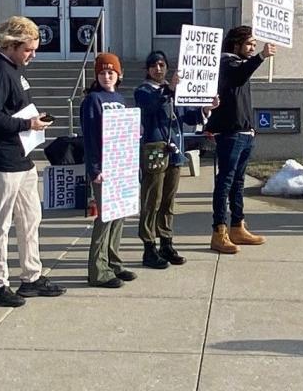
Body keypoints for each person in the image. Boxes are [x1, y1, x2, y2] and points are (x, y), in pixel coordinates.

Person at [0, 16, 66, 306]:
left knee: (30, 217)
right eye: (28, 49)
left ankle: (32, 276)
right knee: (0, 222)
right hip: (1, 159)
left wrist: (33, 121)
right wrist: (28, 125)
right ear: (11, 45)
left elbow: (15, 107)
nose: (32, 55)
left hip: (22, 155)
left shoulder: (13, 68)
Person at [134, 51, 218, 268]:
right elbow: (150, 105)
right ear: (147, 69)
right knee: (152, 198)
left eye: (161, 65)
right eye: (153, 66)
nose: (158, 69)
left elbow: (188, 116)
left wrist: (206, 109)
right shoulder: (144, 90)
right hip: (155, 148)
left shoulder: (176, 91)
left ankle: (166, 242)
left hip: (175, 148)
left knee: (168, 200)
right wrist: (169, 90)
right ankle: (148, 246)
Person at [204, 26, 275, 254]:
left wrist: (251, 127)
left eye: (254, 45)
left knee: (238, 183)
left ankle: (238, 225)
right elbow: (238, 75)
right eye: (249, 44)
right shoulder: (226, 63)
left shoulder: (241, 64)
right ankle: (219, 231)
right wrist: (261, 57)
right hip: (229, 133)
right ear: (235, 44)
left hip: (244, 131)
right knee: (225, 182)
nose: (253, 48)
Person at [81, 52, 137, 287]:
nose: (106, 76)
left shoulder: (121, 99)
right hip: (103, 167)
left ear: (119, 74)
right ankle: (97, 270)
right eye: (102, 72)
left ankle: (113, 261)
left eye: (111, 72)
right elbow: (90, 136)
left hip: (121, 166)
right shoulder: (93, 100)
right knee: (105, 218)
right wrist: (94, 168)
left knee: (119, 214)